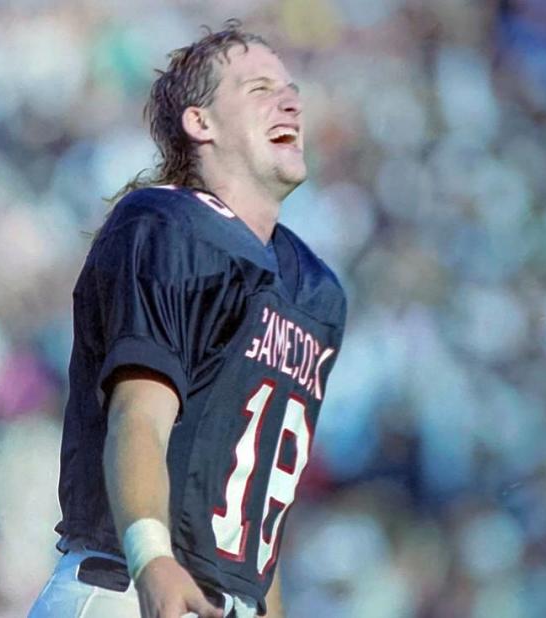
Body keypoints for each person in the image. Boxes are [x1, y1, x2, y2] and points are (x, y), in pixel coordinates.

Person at [29, 20, 346, 618]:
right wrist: (153, 559)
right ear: (200, 122)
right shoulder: (172, 225)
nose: (290, 100)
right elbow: (140, 415)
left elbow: (254, 522)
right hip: (130, 586)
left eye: (291, 88)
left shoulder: (314, 288)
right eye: (258, 89)